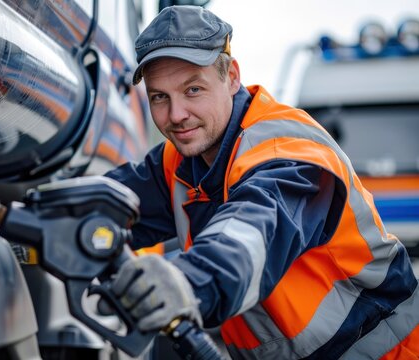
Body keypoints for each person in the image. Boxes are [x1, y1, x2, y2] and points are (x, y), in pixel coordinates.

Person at [105, 5, 419, 359]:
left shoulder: (287, 150)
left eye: (193, 90)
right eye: (159, 97)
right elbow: (106, 204)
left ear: (232, 77)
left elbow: (252, 230)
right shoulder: (180, 161)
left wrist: (188, 281)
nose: (176, 115)